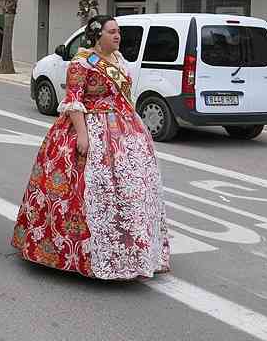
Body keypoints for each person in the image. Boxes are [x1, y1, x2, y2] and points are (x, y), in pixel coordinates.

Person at [11, 15, 170, 279]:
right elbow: (73, 100)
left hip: (124, 129)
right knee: (85, 190)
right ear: (97, 36)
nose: (117, 36)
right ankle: (80, 253)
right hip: (91, 126)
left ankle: (128, 250)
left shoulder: (118, 59)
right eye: (112, 32)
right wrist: (83, 136)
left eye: (118, 31)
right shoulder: (82, 62)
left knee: (130, 190)